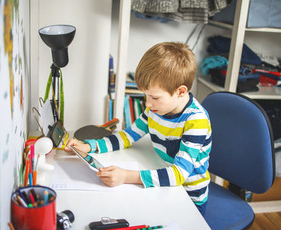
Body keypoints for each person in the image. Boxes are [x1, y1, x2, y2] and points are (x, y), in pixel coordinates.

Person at [65, 42, 212, 216]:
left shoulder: (196, 121)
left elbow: (178, 175)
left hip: (189, 197)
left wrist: (126, 176)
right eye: (146, 96)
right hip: (164, 185)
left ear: (180, 91)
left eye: (154, 97)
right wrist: (89, 147)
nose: (148, 104)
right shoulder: (156, 109)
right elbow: (128, 136)